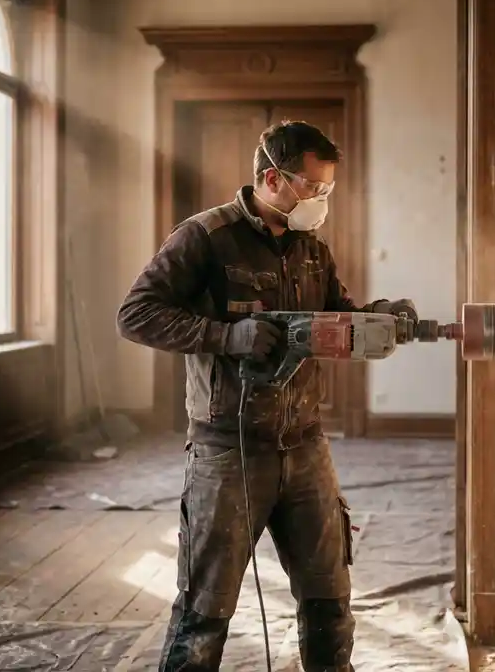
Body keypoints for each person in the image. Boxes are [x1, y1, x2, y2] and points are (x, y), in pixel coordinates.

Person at [116, 120, 418, 672]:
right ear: (271, 179)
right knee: (204, 611)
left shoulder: (311, 249)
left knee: (330, 599)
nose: (320, 199)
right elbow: (135, 315)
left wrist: (376, 319)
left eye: (327, 189)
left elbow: (335, 316)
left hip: (304, 447)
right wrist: (225, 337)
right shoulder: (205, 238)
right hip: (227, 452)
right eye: (311, 186)